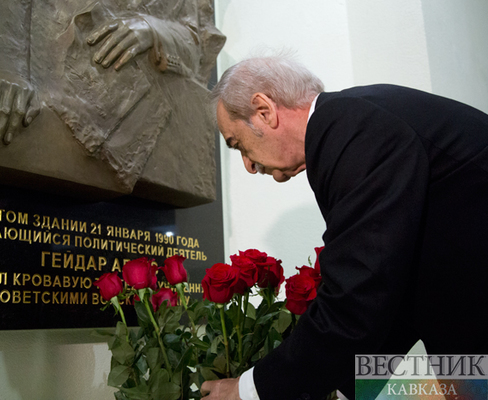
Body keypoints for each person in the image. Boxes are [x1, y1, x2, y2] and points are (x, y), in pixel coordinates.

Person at [201, 55, 488, 400]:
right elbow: (392, 288)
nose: (248, 164)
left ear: (264, 110)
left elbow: (358, 292)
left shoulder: (347, 127)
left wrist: (249, 391)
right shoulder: (352, 121)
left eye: (237, 144)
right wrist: (339, 383)